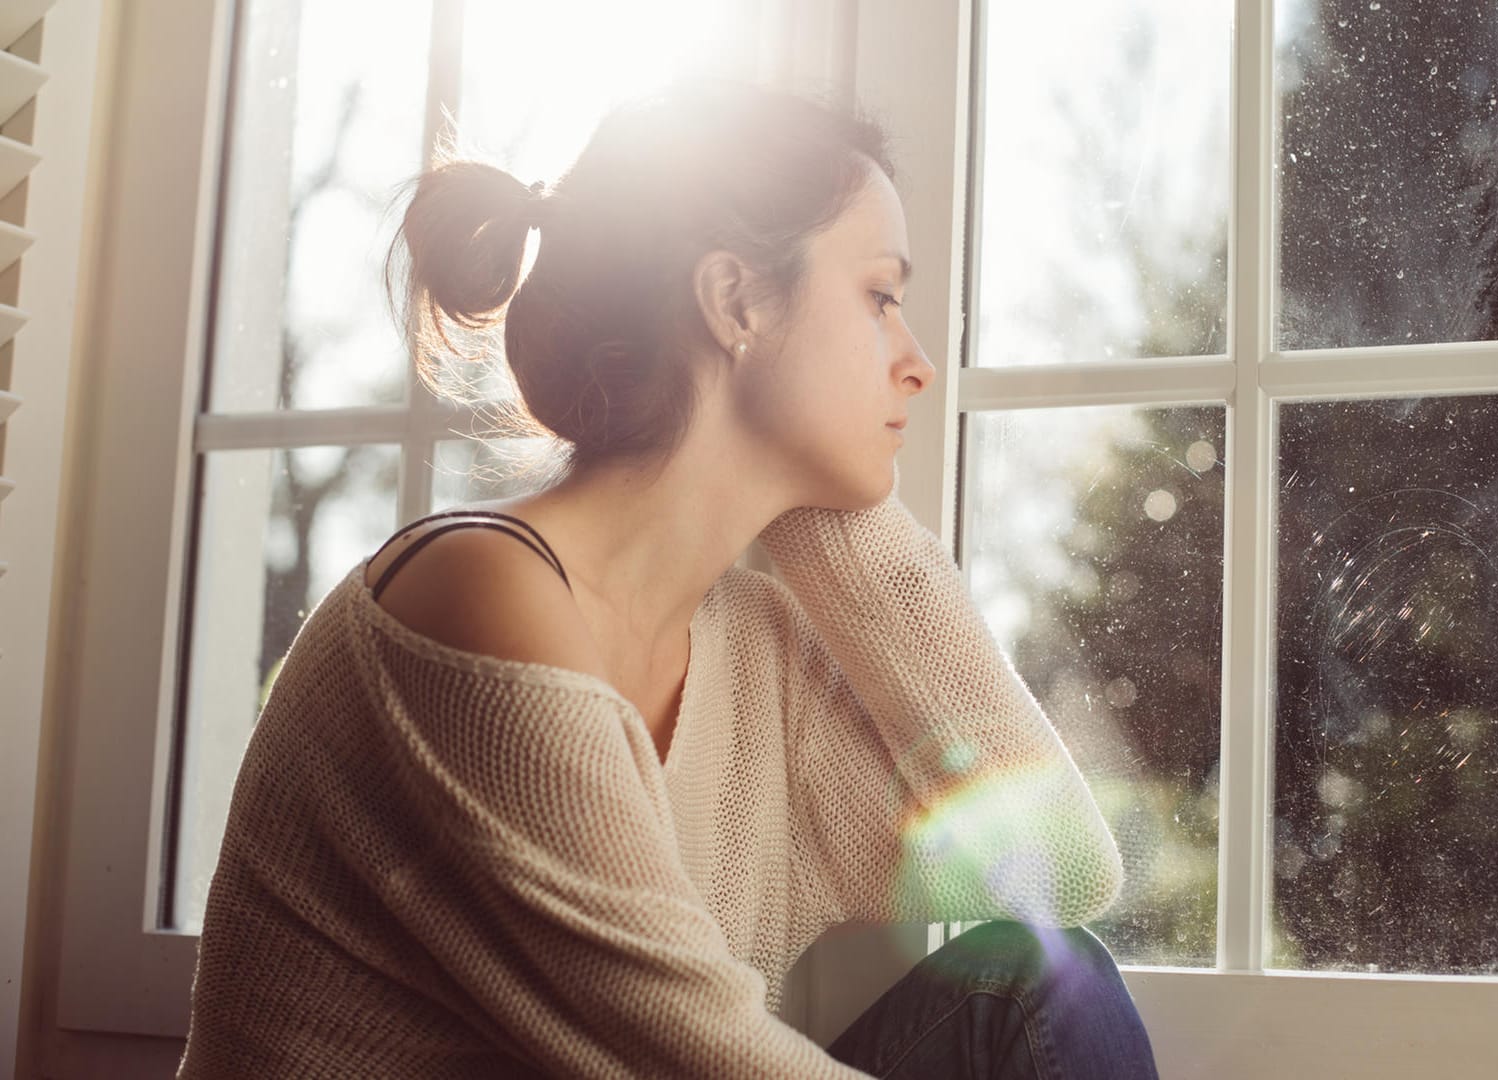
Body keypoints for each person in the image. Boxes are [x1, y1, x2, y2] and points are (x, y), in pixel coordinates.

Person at [176, 79, 1158, 1078]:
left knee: (1039, 984)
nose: (916, 363)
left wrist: (839, 517)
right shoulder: (476, 596)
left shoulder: (754, 648)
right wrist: (810, 455)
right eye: (879, 297)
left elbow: (1061, 869)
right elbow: (704, 1061)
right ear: (735, 301)